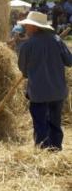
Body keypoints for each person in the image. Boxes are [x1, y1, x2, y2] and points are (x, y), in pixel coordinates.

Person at [17, 11, 72, 151]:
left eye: (28, 26)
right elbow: (69, 61)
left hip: (38, 93)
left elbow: (23, 70)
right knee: (55, 123)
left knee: (40, 123)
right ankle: (56, 149)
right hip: (57, 91)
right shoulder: (57, 40)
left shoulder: (27, 46)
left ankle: (43, 152)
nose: (26, 28)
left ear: (35, 27)